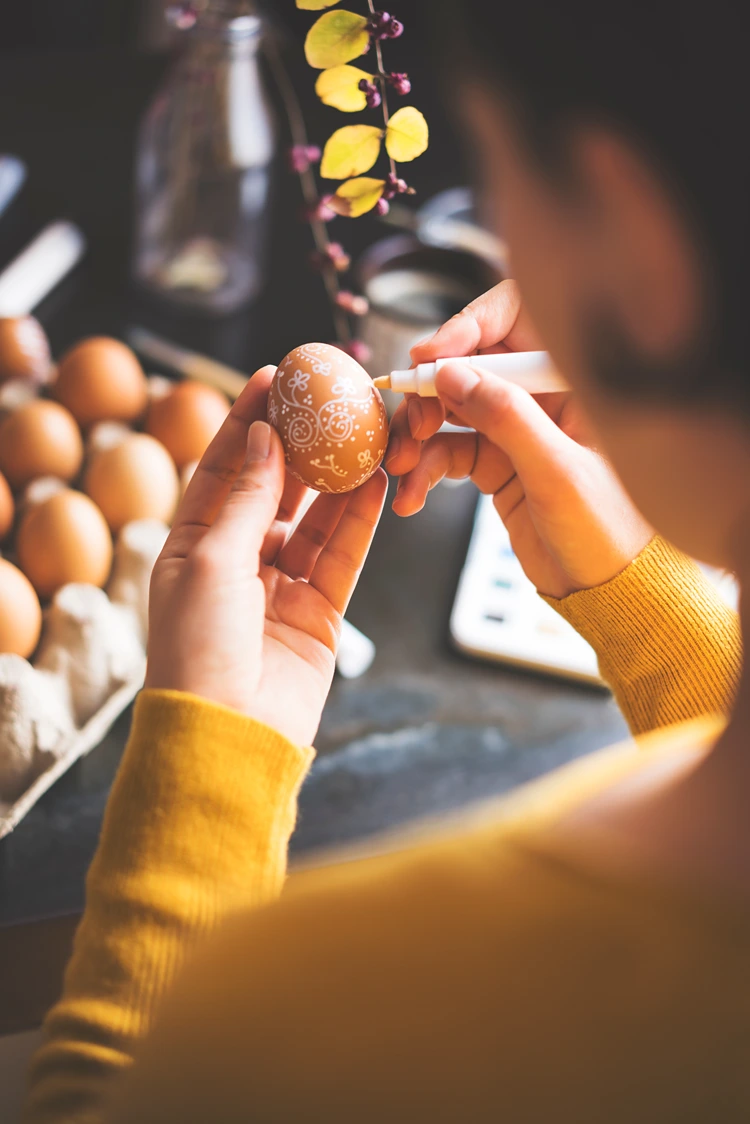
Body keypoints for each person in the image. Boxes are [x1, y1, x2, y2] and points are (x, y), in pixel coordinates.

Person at [22, 0, 749, 1120]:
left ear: (634, 244)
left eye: (501, 188)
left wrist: (203, 780)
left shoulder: (334, 1012)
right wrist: (654, 614)